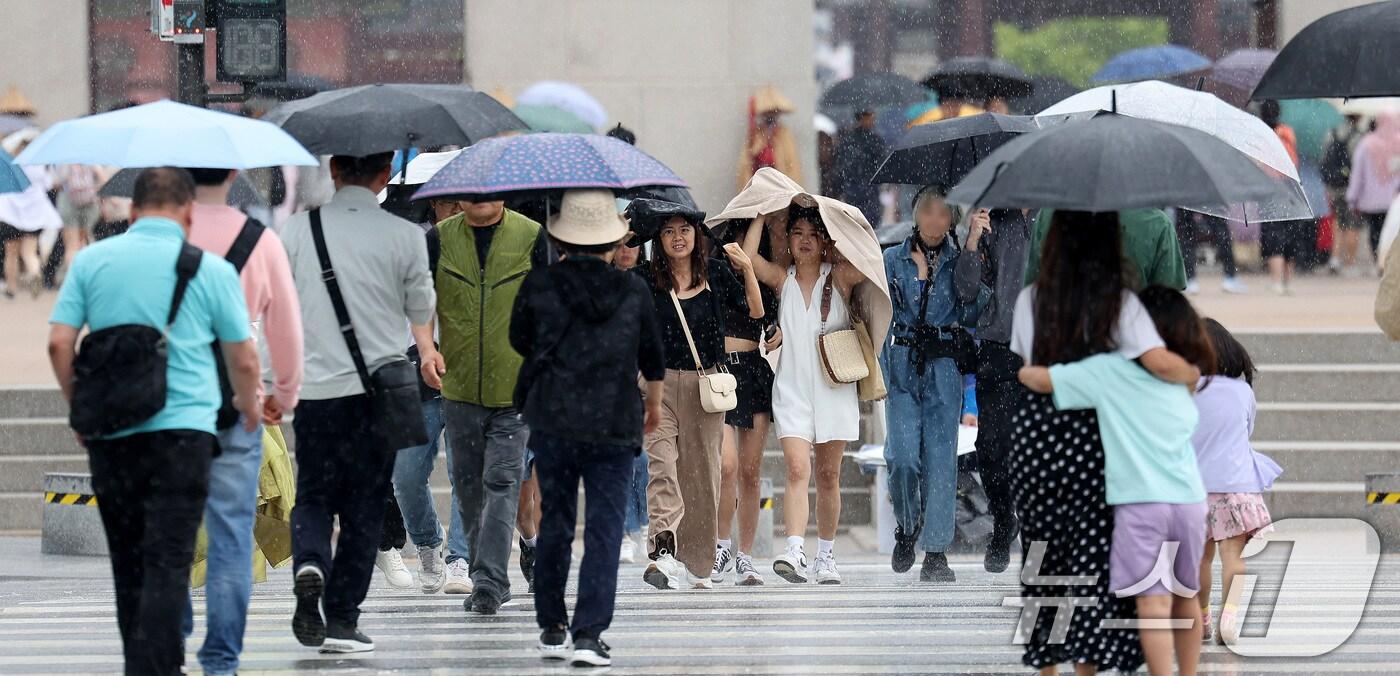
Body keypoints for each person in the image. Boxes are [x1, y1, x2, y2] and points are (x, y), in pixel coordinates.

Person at [47, 167, 262, 675]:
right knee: (169, 558)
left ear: (134, 211)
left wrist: (80, 405)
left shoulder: (93, 261)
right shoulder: (210, 270)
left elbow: (59, 342)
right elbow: (244, 358)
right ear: (188, 215)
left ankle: (139, 667)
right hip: (184, 437)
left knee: (128, 564)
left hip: (114, 434)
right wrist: (250, 407)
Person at [1008, 211, 1200, 674]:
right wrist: (1195, 372)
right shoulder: (1121, 303)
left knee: (1042, 553)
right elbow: (1155, 361)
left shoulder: (1030, 299)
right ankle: (1086, 666)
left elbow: (1028, 367)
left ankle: (1046, 663)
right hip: (1094, 433)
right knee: (1088, 559)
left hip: (1037, 436)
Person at [281, 152, 438, 653]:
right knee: (365, 503)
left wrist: (271, 380)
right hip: (379, 393)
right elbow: (421, 308)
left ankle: (309, 559)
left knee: (314, 493)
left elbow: (277, 308)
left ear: (333, 171)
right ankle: (343, 618)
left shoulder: (297, 231)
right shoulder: (405, 235)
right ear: (384, 173)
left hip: (317, 389)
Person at [511, 189, 666, 668]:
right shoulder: (632, 289)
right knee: (604, 529)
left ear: (562, 239)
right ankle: (589, 633)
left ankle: (552, 626)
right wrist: (654, 406)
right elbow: (654, 358)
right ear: (611, 242)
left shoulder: (540, 285)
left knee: (555, 522)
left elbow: (519, 339)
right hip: (614, 422)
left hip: (555, 420)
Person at [181, 167, 304, 676]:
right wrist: (283, 396)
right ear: (232, 175)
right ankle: (221, 657)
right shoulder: (261, 240)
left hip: (171, 410)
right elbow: (286, 331)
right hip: (238, 402)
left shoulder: (157, 240)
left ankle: (170, 642)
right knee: (233, 535)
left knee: (169, 532)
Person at [630, 199, 763, 591]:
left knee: (703, 478)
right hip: (658, 387)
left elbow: (755, 312)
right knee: (662, 466)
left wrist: (748, 269)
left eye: (684, 229)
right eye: (668, 231)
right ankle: (664, 552)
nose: (677, 238)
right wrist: (625, 233)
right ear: (658, 239)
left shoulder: (717, 274)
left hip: (706, 386)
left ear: (696, 235)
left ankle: (698, 564)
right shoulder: (645, 279)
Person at [432, 195, 550, 615]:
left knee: (502, 481)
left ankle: (489, 581)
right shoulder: (440, 239)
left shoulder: (531, 235)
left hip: (513, 387)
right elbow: (415, 296)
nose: (480, 197)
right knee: (467, 488)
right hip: (459, 386)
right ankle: (488, 572)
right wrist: (426, 346)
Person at [743, 205, 865, 585]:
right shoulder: (782, 280)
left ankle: (825, 555)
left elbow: (868, 257)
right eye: (797, 232)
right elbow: (747, 259)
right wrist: (762, 214)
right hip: (792, 389)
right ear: (788, 239)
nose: (806, 240)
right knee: (797, 468)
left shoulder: (841, 277)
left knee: (829, 475)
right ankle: (794, 549)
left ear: (824, 239)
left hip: (834, 389)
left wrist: (838, 224)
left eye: (814, 233)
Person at [882, 188, 987, 583]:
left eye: (944, 213)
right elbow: (875, 310)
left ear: (952, 220)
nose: (934, 220)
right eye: (927, 211)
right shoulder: (892, 258)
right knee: (903, 457)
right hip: (903, 362)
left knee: (941, 461)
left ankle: (937, 551)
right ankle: (907, 525)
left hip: (943, 365)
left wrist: (974, 244)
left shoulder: (961, 261)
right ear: (915, 215)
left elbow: (974, 303)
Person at [387, 196, 473, 596]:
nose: (456, 210)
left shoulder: (482, 245)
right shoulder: (409, 244)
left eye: (463, 202)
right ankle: (427, 544)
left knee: (464, 471)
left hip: (467, 370)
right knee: (405, 475)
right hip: (415, 368)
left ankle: (459, 558)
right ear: (433, 205)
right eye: (448, 203)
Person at [1193, 319, 1282, 646]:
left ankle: (1202, 617)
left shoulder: (1185, 390)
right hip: (1235, 486)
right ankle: (1229, 617)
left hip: (1195, 490)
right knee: (1234, 557)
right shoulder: (1242, 391)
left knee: (1200, 559)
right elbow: (1247, 431)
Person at [954, 207, 1031, 573]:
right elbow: (966, 291)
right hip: (998, 350)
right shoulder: (995, 222)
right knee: (992, 449)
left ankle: (1036, 543)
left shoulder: (1062, 219)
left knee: (1040, 456)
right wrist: (972, 240)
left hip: (1047, 352)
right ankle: (1004, 520)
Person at [713, 224, 781, 587]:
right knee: (727, 466)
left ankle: (746, 556)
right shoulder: (713, 274)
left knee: (751, 472)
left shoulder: (762, 282)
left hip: (753, 373)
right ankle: (721, 545)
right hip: (720, 376)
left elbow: (760, 316)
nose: (741, 249)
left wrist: (750, 269)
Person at [1025, 208, 1187, 291]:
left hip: (1059, 343)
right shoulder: (1156, 223)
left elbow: (1033, 285)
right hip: (1133, 348)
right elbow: (1168, 303)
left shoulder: (1048, 214)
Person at [611, 237, 648, 564]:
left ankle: (646, 524)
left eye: (632, 243)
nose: (625, 250)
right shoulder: (601, 282)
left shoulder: (650, 281)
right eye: (619, 243)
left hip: (647, 380)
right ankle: (624, 530)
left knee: (644, 460)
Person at [0, 130, 62, 299]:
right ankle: (35, 274)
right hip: (35, 213)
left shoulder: (11, 164)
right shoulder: (39, 165)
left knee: (11, 253)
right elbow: (49, 184)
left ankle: (12, 288)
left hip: (11, 213)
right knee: (29, 251)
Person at [1259, 100, 1309, 295]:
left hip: (1269, 187)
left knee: (1273, 232)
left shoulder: (1261, 133)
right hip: (1291, 185)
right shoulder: (1287, 132)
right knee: (1290, 231)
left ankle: (1276, 281)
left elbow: (1258, 163)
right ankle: (1288, 280)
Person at [1348, 112, 1400, 266]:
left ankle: (1379, 260)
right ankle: (1389, 260)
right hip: (1394, 200)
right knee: (1392, 232)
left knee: (1375, 231)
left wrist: (1352, 197)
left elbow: (1357, 173)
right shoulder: (1398, 143)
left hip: (1371, 200)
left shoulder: (1366, 144)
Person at [1322, 113, 1366, 275]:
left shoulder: (1332, 132)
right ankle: (1350, 262)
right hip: (1351, 186)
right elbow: (1360, 165)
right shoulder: (1359, 137)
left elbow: (1325, 157)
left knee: (1337, 223)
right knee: (1352, 225)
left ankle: (1335, 259)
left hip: (1334, 187)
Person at [737, 85, 803, 189]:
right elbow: (747, 162)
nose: (770, 117)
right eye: (767, 114)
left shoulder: (784, 134)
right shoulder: (756, 134)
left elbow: (792, 164)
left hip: (778, 182)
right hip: (760, 183)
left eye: (773, 114)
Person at [835, 110, 888, 228]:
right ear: (862, 117)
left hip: (866, 189)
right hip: (858, 189)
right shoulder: (852, 140)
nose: (873, 120)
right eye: (870, 117)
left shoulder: (871, 139)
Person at [53, 164, 104, 283]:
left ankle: (72, 278)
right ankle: (88, 275)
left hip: (68, 204)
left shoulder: (66, 163)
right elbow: (104, 180)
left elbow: (56, 183)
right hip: (90, 204)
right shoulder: (92, 162)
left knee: (71, 246)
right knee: (84, 240)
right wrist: (94, 190)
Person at [1177, 211, 1245, 295]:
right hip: (1210, 200)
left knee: (1185, 229)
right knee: (1219, 226)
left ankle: (1189, 279)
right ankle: (1230, 277)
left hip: (1185, 199)